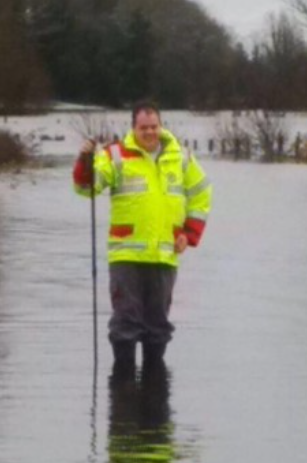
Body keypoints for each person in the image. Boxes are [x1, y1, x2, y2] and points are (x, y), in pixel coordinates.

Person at [73, 102, 212, 369]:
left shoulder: (181, 157)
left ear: (160, 126)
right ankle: (123, 390)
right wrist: (84, 161)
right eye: (143, 127)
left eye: (153, 126)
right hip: (126, 255)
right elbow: (87, 188)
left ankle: (154, 393)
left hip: (165, 255)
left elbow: (202, 193)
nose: (149, 132)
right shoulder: (115, 155)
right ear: (133, 128)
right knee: (125, 322)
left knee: (157, 326)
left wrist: (189, 233)